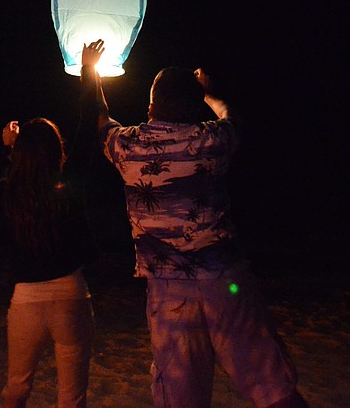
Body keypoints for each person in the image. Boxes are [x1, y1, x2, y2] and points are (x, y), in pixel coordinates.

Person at [81, 39, 308, 408]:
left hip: (169, 291)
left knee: (180, 395)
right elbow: (231, 117)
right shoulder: (212, 140)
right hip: (225, 280)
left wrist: (91, 73)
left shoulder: (129, 146)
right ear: (192, 104)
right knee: (272, 386)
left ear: (152, 105)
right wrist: (210, 95)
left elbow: (100, 119)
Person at [0, 49, 102, 408]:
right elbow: (91, 121)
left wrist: (9, 149)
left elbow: (17, 177)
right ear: (58, 151)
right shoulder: (71, 180)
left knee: (17, 388)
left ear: (20, 153)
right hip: (71, 295)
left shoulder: (8, 192)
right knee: (72, 397)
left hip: (26, 301)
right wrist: (89, 69)